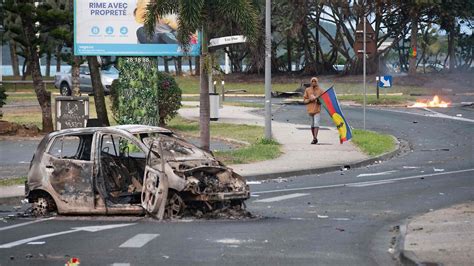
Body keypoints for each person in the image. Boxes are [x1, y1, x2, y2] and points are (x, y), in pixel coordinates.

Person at [303, 77, 323, 144]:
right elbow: (304, 101)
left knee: (316, 123)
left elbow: (323, 101)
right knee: (312, 125)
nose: (314, 82)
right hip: (310, 110)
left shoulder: (320, 90)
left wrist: (318, 100)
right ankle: (314, 137)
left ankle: (315, 138)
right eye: (312, 81)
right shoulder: (307, 90)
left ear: (317, 82)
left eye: (315, 81)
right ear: (310, 82)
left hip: (317, 110)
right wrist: (310, 100)